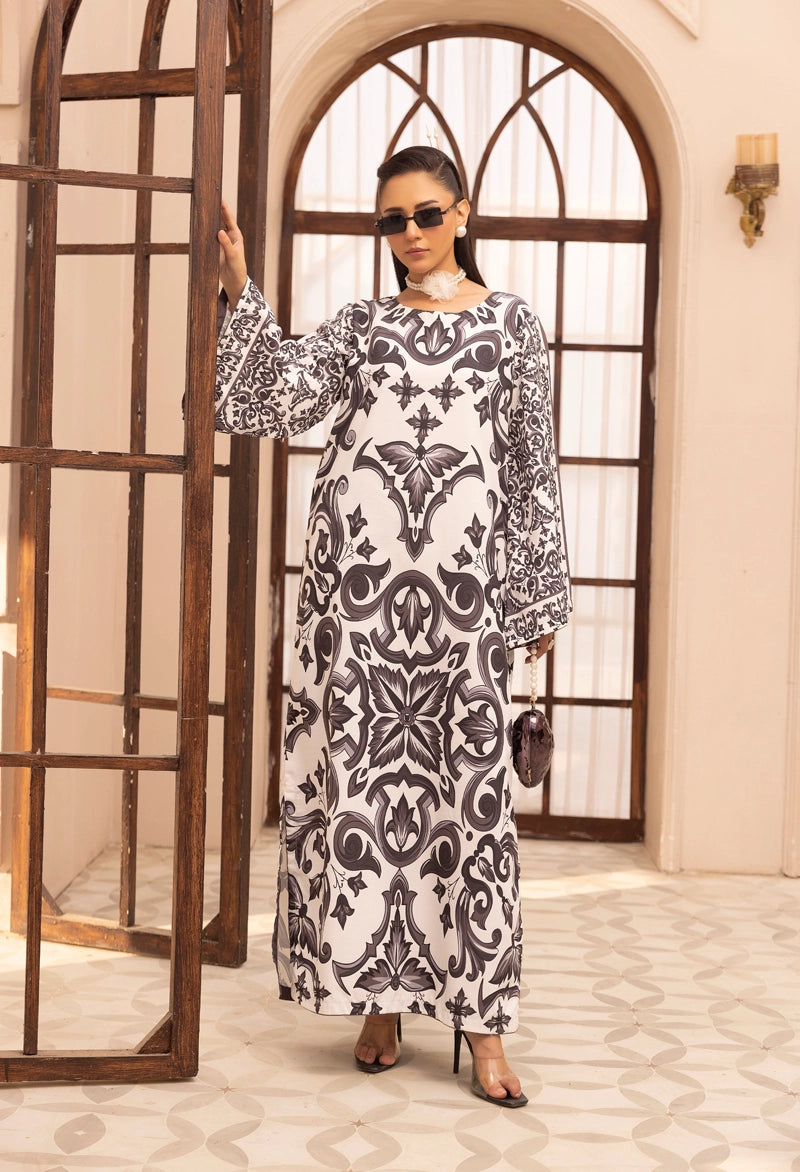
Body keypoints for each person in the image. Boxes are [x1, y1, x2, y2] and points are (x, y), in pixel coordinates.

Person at [215, 145, 571, 1107]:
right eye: (390, 222)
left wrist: (538, 598)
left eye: (423, 215)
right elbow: (272, 398)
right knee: (368, 798)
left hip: (467, 614)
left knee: (470, 808)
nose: (408, 234)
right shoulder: (362, 327)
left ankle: (485, 1031)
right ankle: (379, 1002)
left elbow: (532, 471)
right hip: (362, 610)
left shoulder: (511, 329)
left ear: (461, 213)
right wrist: (243, 292)